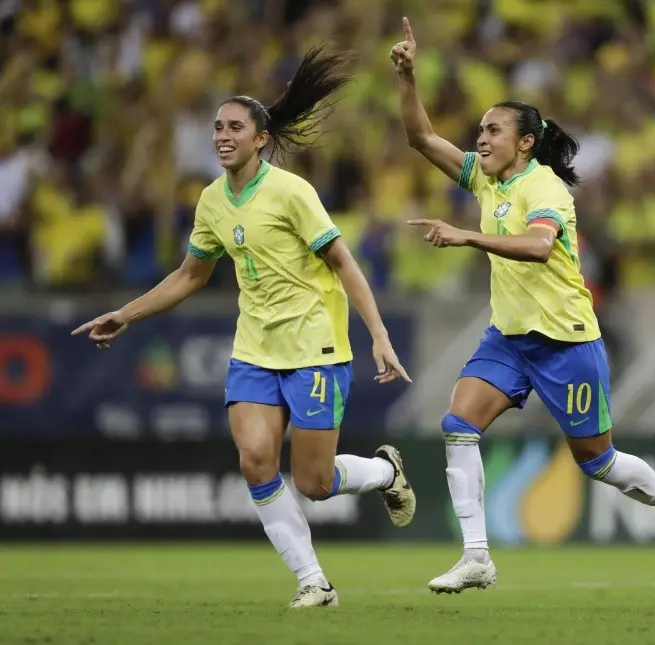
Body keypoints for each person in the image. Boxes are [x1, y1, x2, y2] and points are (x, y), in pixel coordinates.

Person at [72, 44, 416, 609]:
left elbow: (344, 263)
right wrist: (126, 315)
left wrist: (378, 335)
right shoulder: (211, 201)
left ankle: (383, 472)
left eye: (235, 127)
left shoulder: (292, 192)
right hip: (254, 349)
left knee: (313, 483)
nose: (222, 136)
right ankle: (314, 582)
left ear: (260, 139)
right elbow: (190, 275)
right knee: (255, 461)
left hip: (315, 347)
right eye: (217, 127)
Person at [390, 18, 655, 594]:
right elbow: (421, 138)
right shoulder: (486, 181)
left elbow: (538, 247)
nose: (481, 139)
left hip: (565, 340)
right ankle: (477, 557)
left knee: (597, 461)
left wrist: (466, 237)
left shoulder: (545, 188)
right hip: (509, 338)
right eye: (480, 130)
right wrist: (408, 77)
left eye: (493, 130)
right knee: (458, 425)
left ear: (525, 142)